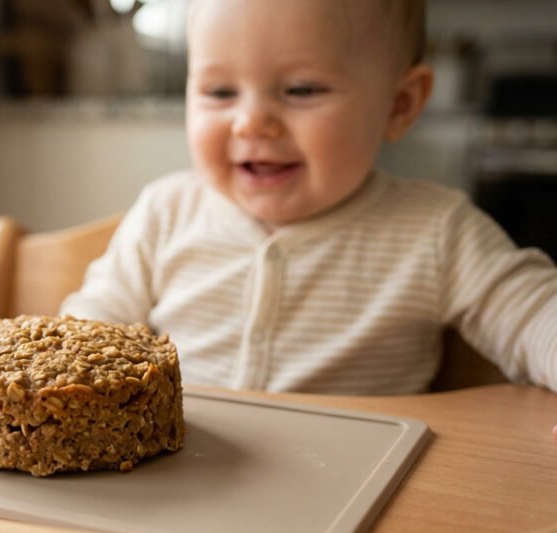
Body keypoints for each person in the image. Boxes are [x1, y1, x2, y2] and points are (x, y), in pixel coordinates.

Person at [60, 0, 557, 395]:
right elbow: (87, 333)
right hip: (180, 486)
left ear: (400, 104)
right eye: (219, 91)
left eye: (300, 90)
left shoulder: (437, 231)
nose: (251, 121)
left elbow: (537, 313)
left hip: (369, 500)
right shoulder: (166, 213)